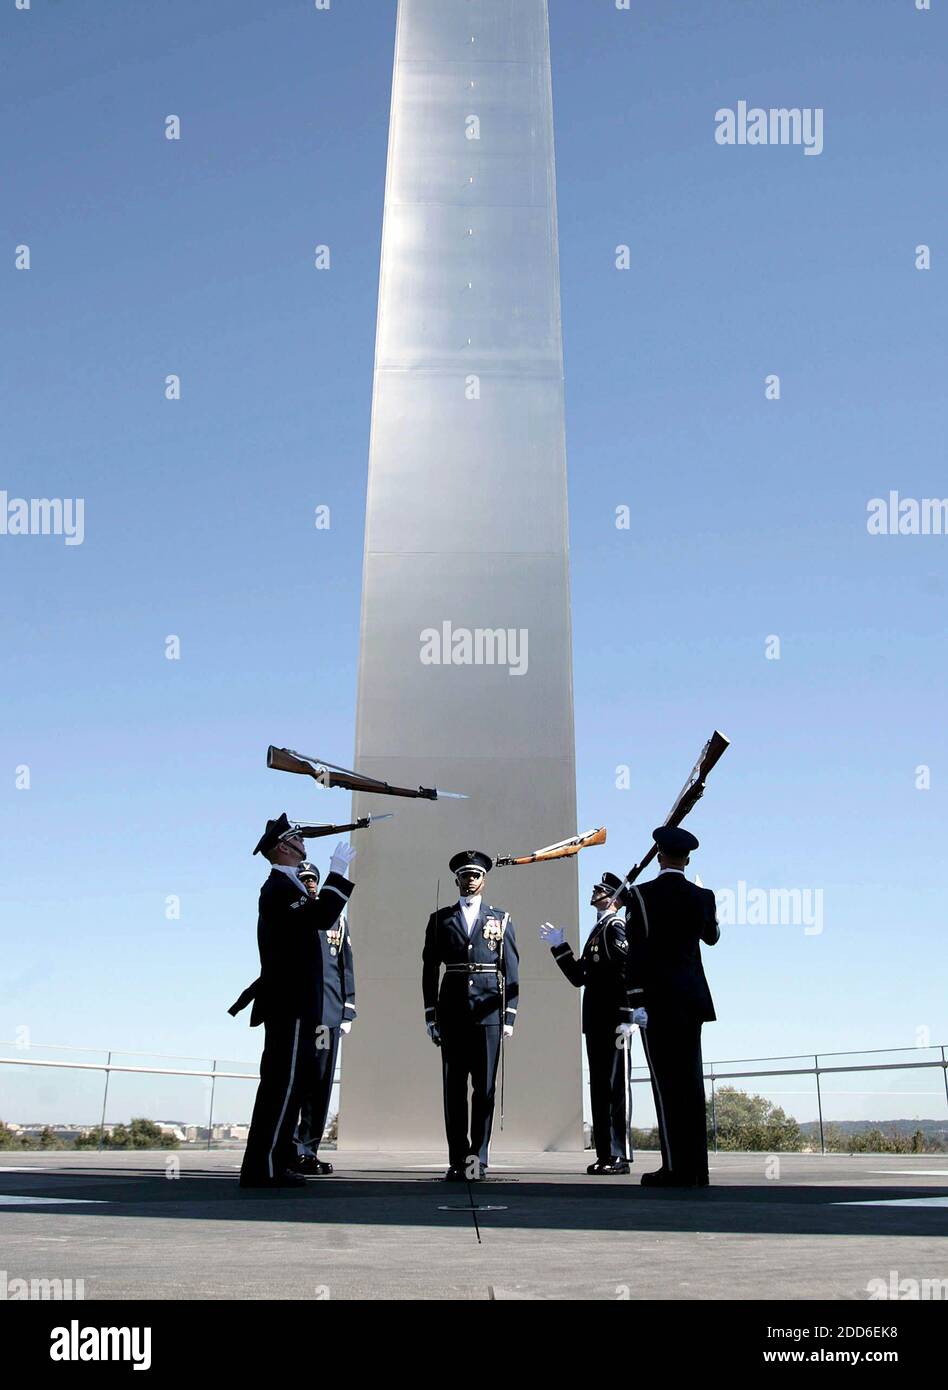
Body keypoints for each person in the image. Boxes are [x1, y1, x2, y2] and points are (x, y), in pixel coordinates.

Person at [236, 814, 356, 1189]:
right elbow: (321, 916)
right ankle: (263, 1168)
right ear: (285, 848)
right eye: (297, 840)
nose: (304, 844)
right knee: (282, 1085)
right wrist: (337, 872)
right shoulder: (278, 889)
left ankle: (277, 1161)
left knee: (291, 1084)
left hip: (298, 1003)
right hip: (289, 1003)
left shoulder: (290, 888)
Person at [623, 826, 720, 1188]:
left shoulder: (640, 895)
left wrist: (635, 1001)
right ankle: (698, 1170)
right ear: (688, 858)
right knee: (692, 1084)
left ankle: (674, 1167)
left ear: (659, 856)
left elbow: (635, 952)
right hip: (692, 1000)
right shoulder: (702, 895)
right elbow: (711, 937)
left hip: (657, 1000)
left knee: (666, 1086)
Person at [422, 850, 519, 1181]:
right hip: (451, 1012)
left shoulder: (501, 919)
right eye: (465, 875)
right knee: (454, 1088)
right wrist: (430, 1015)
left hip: (488, 1012)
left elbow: (512, 971)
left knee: (484, 1089)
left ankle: (477, 1158)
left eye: (475, 875)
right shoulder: (440, 919)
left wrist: (509, 1017)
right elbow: (429, 970)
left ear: (484, 879)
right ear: (457, 880)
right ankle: (456, 1158)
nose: (470, 880)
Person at [539, 871, 643, 1175]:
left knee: (613, 1087)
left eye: (600, 889)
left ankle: (617, 1155)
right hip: (597, 1019)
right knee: (599, 1087)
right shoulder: (598, 930)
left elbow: (626, 970)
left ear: (612, 898)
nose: (594, 890)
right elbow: (579, 977)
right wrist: (560, 946)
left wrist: (628, 1015)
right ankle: (605, 1154)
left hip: (613, 1019)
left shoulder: (615, 927)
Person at [290, 860, 356, 1176]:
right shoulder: (294, 915)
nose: (310, 883)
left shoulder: (336, 921)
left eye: (313, 879)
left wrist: (348, 1009)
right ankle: (289, 1148)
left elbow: (345, 967)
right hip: (301, 1012)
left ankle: (308, 1150)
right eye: (304, 879)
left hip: (328, 1014)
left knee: (320, 1084)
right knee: (296, 1081)